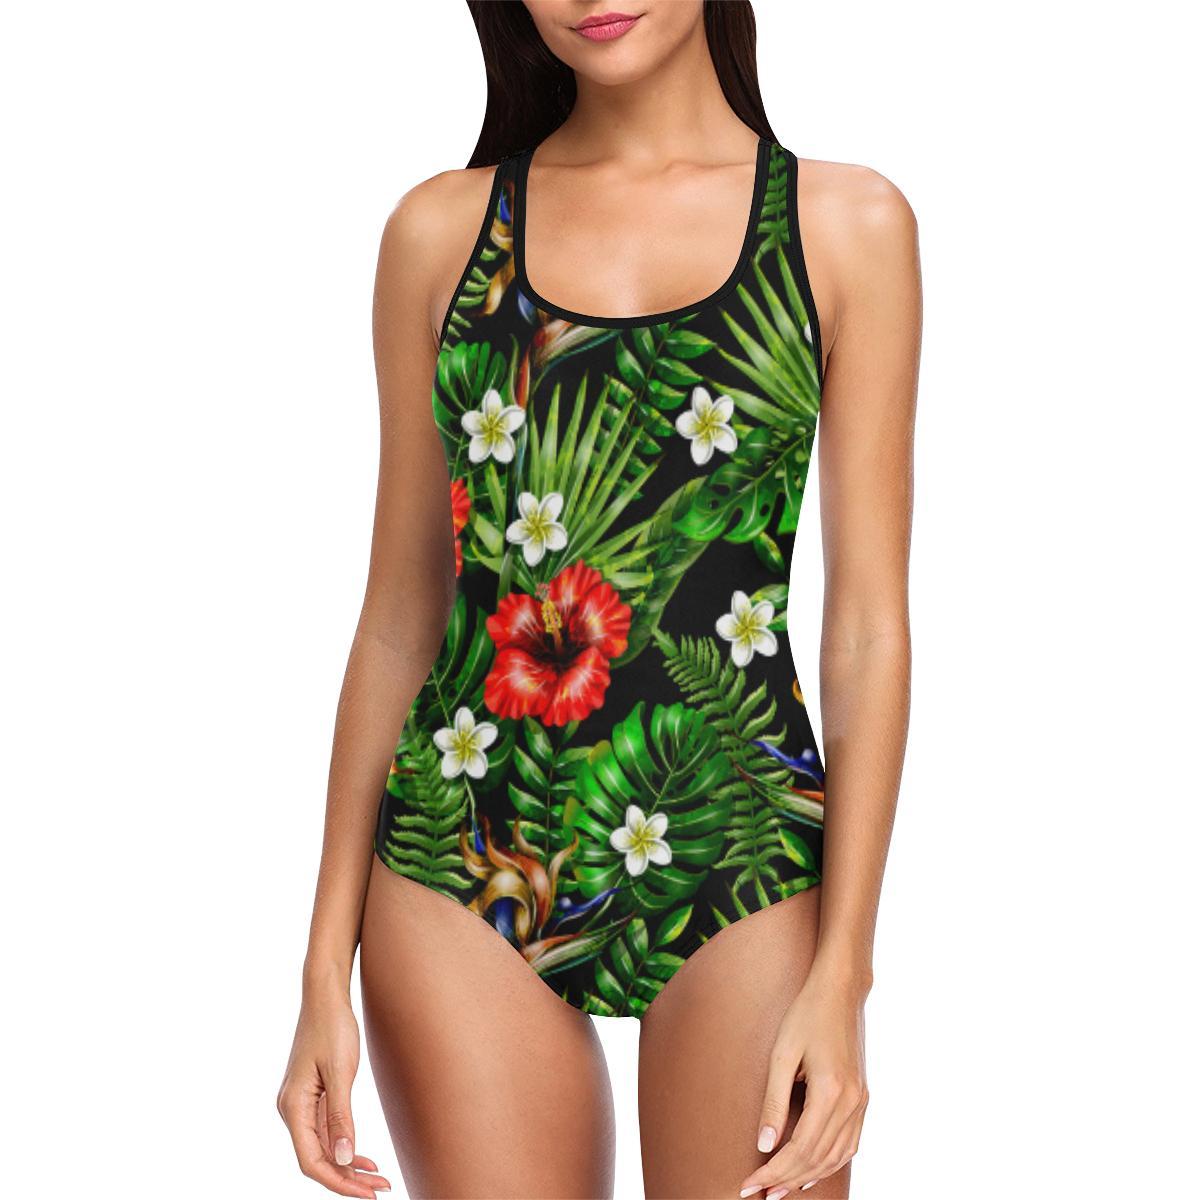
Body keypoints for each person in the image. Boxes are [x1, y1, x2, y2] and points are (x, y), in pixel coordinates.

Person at [277, 3, 920, 1197]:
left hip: (739, 850)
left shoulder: (843, 226)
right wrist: (322, 967)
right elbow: (399, 618)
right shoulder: (439, 233)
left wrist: (846, 974)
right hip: (460, 850)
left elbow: (868, 631)